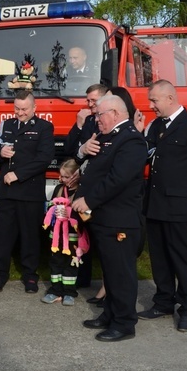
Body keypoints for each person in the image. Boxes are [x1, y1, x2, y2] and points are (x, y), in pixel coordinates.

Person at [138, 80, 187, 332]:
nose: (151, 106)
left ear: (170, 98)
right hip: (156, 204)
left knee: (182, 259)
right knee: (159, 258)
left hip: (181, 207)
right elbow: (149, 155)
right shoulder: (156, 126)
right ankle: (163, 301)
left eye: (154, 100)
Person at [72, 95, 147, 342]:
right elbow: (97, 169)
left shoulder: (131, 140)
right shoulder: (110, 137)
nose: (96, 120)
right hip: (104, 219)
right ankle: (110, 313)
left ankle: (125, 323)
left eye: (99, 115)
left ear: (114, 113)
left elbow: (118, 179)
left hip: (119, 219)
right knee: (110, 270)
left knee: (121, 273)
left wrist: (89, 201)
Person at [0, 90, 55, 294]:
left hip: (30, 192)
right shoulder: (6, 125)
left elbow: (44, 158)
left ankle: (30, 276)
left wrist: (18, 174)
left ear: (34, 108)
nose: (20, 113)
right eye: (17, 108)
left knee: (30, 236)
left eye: (24, 109)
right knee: (3, 235)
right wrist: (0, 152)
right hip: (7, 193)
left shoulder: (44, 128)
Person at [64, 83, 107, 298]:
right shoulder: (89, 121)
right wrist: (79, 127)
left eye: (93, 100)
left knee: (102, 236)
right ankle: (82, 276)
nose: (88, 104)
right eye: (87, 100)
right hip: (85, 189)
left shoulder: (108, 123)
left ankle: (107, 284)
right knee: (84, 231)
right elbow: (70, 150)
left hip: (103, 190)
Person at [41, 159, 85, 307]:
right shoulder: (59, 189)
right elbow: (49, 206)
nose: (61, 179)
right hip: (56, 238)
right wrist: (53, 210)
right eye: (61, 176)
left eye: (66, 177)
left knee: (71, 265)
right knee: (55, 264)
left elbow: (88, 214)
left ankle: (69, 292)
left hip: (73, 238)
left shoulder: (82, 191)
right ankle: (55, 290)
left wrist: (71, 214)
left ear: (75, 176)